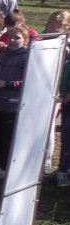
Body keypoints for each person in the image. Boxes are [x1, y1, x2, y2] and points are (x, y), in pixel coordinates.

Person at [0, 26, 30, 179]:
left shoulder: (27, 57)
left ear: (25, 40)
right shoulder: (2, 56)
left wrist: (7, 84)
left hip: (12, 105)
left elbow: (27, 81)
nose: (12, 40)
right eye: (10, 37)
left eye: (17, 37)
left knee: (8, 137)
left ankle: (5, 167)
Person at [46, 10, 70, 187]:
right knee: (52, 130)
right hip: (51, 92)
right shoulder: (48, 42)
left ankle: (63, 171)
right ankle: (58, 168)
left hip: (65, 95)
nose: (51, 26)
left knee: (66, 134)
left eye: (55, 22)